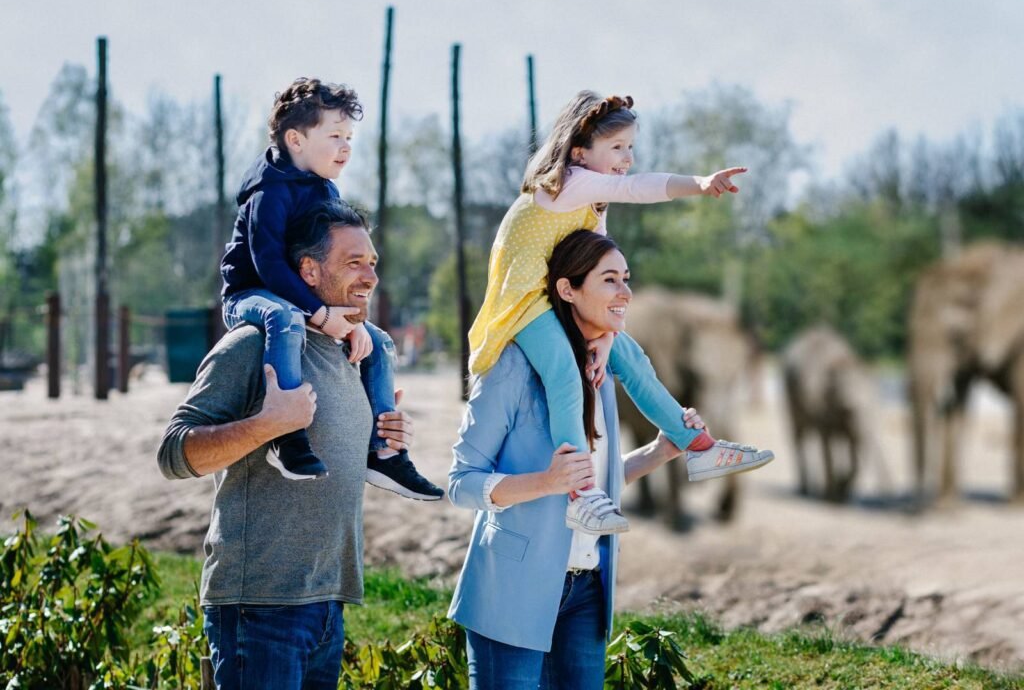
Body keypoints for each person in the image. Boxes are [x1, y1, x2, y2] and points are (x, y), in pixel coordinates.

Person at [450, 230, 751, 689]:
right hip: (511, 591)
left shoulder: (603, 368)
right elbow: (461, 482)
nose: (626, 293)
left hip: (588, 589)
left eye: (627, 279)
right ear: (568, 289)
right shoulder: (511, 366)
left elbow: (598, 481)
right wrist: (546, 482)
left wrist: (659, 451)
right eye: (610, 280)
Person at [467, 91, 772, 534]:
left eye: (631, 148)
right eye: (617, 148)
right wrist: (700, 183)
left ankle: (696, 446)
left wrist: (608, 333)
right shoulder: (571, 182)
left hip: (558, 295)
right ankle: (581, 494)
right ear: (579, 151)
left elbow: (601, 258)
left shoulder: (593, 204)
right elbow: (637, 187)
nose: (627, 158)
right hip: (523, 302)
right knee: (565, 372)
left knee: (632, 358)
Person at [159, 201, 422, 690]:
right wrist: (267, 424)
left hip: (329, 601)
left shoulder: (354, 352)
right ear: (308, 269)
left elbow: (342, 456)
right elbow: (173, 453)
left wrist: (385, 439)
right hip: (259, 606)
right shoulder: (252, 344)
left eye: (373, 263)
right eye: (354, 263)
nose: (370, 276)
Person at [219, 77, 441, 500]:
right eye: (335, 135)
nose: (346, 147)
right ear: (296, 139)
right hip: (250, 295)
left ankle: (384, 453)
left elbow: (326, 263)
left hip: (295, 296)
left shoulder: (325, 189)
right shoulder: (269, 191)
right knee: (283, 317)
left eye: (350, 137)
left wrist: (352, 321)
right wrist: (321, 316)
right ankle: (288, 435)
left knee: (378, 340)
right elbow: (268, 266)